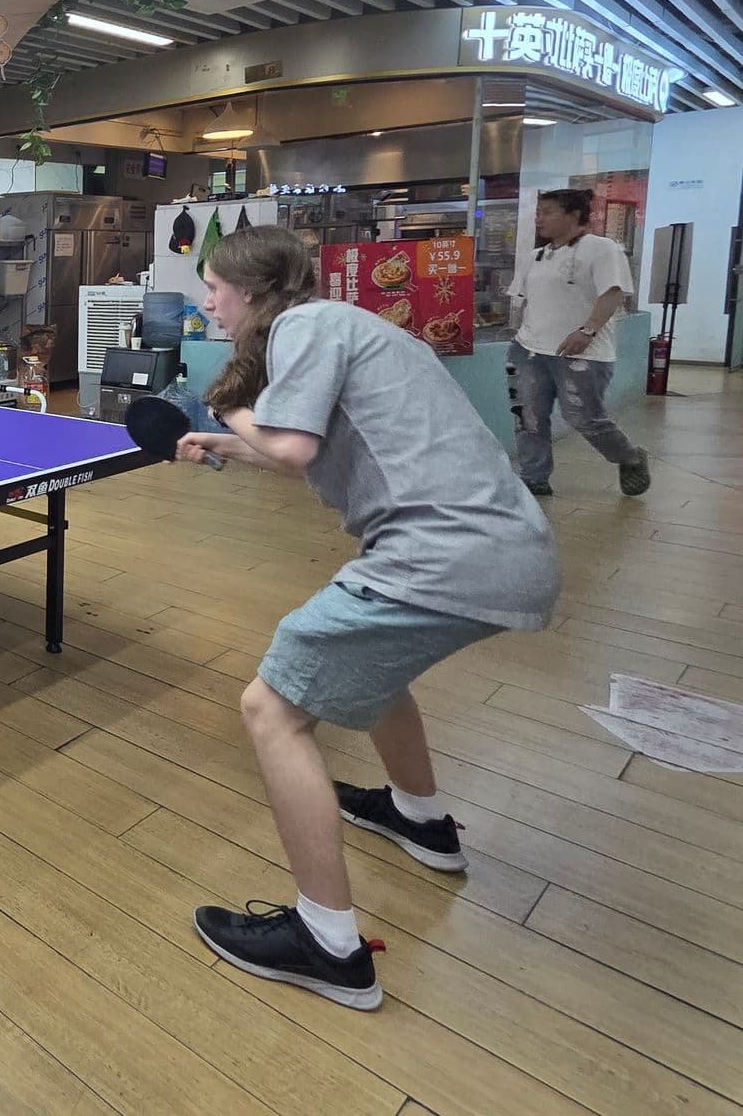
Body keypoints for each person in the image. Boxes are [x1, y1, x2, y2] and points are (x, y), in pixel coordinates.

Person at [174, 226, 557, 1011]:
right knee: (379, 670)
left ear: (248, 289)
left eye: (212, 286)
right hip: (504, 547)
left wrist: (227, 409)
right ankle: (422, 821)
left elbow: (290, 450)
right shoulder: (343, 324)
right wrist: (226, 440)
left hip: (443, 553)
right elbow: (296, 448)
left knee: (270, 709)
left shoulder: (306, 325)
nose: (206, 301)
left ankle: (328, 943)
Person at [508, 187, 649, 498]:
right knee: (527, 417)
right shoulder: (535, 256)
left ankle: (630, 457)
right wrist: (516, 334)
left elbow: (613, 293)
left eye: (548, 212)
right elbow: (522, 300)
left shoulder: (602, 249)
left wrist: (587, 331)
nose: (539, 219)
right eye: (539, 212)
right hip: (528, 351)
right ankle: (534, 477)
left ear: (573, 215)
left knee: (583, 418)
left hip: (582, 353)